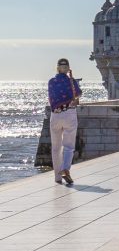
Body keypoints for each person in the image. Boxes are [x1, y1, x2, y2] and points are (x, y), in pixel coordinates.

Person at [48, 56, 82, 185]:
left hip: (55, 115)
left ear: (57, 69)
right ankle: (65, 169)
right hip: (69, 114)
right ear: (68, 69)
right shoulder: (71, 81)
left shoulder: (51, 81)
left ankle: (57, 177)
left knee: (56, 148)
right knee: (68, 146)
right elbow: (77, 93)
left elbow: (52, 98)